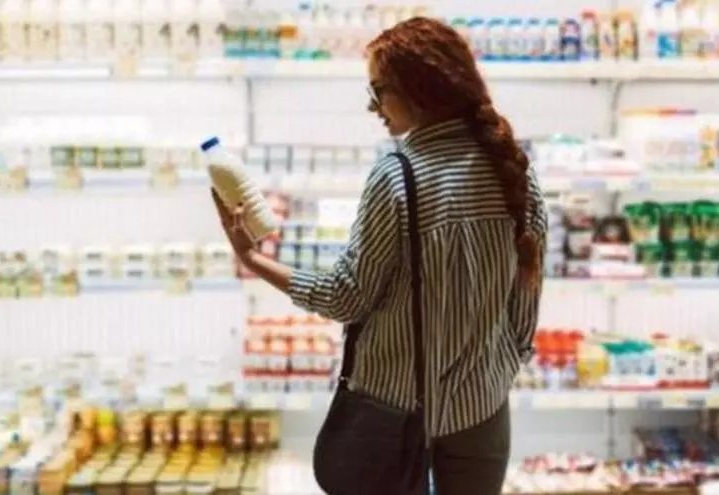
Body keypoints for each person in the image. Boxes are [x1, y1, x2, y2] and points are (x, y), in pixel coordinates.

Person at [212, 16, 548, 495]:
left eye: (378, 91)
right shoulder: (515, 171)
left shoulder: (397, 176)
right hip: (484, 410)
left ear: (420, 88)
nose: (372, 107)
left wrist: (254, 259)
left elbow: (347, 298)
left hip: (393, 415)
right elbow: (525, 302)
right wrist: (496, 370)